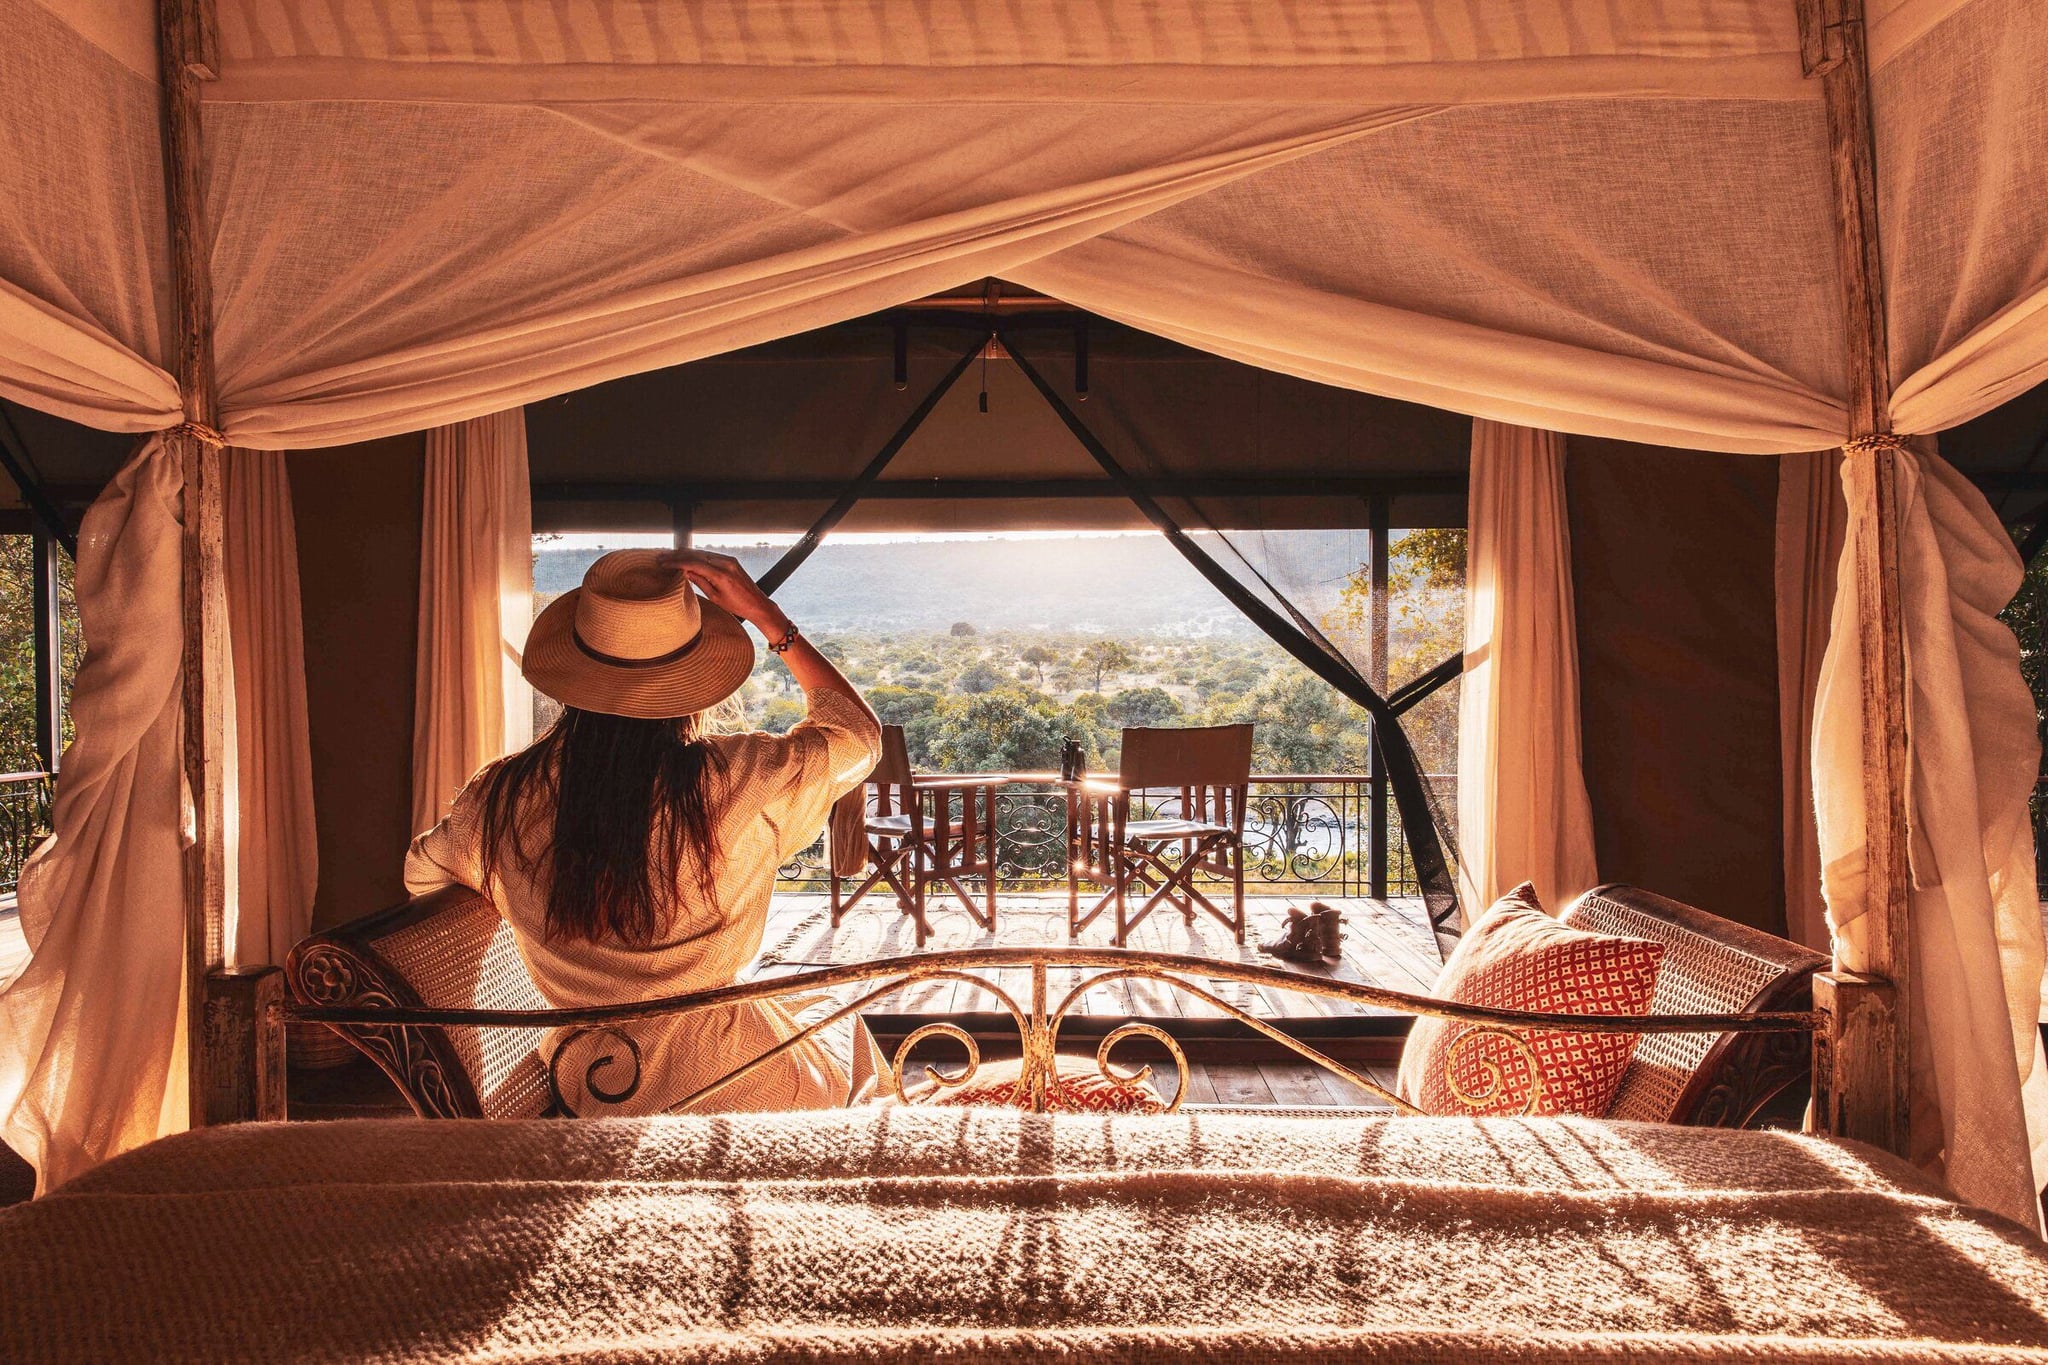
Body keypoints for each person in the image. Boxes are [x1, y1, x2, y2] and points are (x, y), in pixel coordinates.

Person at [404, 547, 885, 1115]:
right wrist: (768, 618)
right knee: (845, 1027)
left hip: (590, 1083)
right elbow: (856, 736)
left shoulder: (501, 796)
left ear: (575, 678)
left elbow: (423, 874)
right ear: (695, 680)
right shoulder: (739, 777)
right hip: (729, 1077)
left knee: (813, 1013)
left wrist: (524, 903)